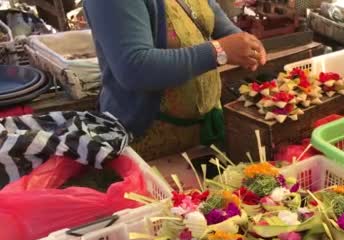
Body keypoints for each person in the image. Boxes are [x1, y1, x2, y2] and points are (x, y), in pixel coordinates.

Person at [84, 0, 267, 160]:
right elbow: (134, 68)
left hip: (204, 133)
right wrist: (219, 51)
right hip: (150, 145)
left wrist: (244, 42)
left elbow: (207, 15)